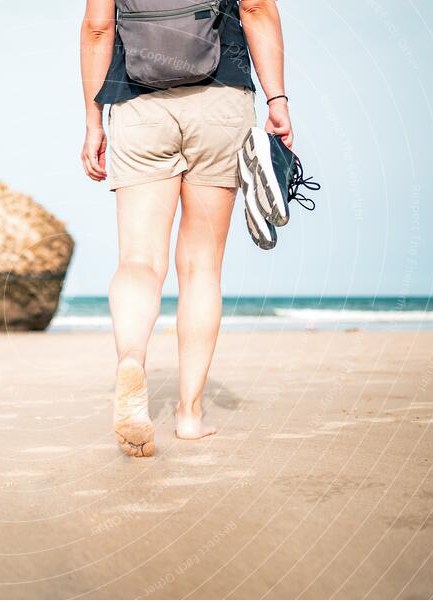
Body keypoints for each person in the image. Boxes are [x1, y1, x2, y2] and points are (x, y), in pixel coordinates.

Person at [79, 0, 293, 456]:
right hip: (221, 101)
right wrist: (277, 100)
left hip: (138, 106)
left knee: (139, 260)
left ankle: (132, 360)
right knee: (201, 268)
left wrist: (93, 122)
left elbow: (98, 29)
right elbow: (255, 9)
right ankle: (190, 414)